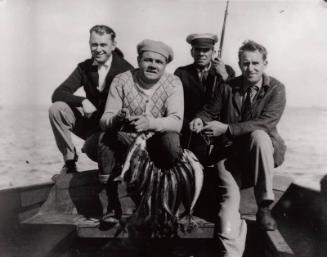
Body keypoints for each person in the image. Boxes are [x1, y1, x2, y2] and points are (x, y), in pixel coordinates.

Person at [190, 39, 286, 256]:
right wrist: (199, 119)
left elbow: (266, 122)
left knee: (260, 135)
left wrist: (226, 128)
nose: (250, 68)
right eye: (245, 63)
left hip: (260, 153)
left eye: (255, 63)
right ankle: (231, 253)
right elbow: (209, 111)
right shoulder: (228, 86)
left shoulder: (277, 89)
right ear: (239, 64)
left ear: (265, 63)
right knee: (227, 210)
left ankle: (264, 206)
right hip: (230, 155)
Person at [98, 39, 184, 222]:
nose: (153, 65)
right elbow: (105, 120)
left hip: (156, 142)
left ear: (165, 65)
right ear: (138, 60)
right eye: (148, 60)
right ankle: (111, 203)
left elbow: (176, 121)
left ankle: (164, 197)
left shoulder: (173, 83)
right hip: (127, 142)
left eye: (159, 62)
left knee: (172, 141)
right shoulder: (121, 80)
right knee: (105, 138)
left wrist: (150, 123)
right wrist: (117, 119)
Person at [49, 25, 133, 174]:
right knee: (57, 109)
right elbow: (58, 94)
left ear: (113, 45)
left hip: (114, 131)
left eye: (103, 44)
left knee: (94, 147)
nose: (98, 49)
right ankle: (70, 161)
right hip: (91, 126)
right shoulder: (84, 67)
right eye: (94, 44)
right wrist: (83, 101)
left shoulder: (126, 70)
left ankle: (116, 165)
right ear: (89, 44)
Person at [174, 33, 235, 165]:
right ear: (192, 52)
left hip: (219, 132)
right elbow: (178, 106)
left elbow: (234, 97)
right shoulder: (181, 73)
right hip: (192, 130)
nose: (201, 54)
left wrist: (224, 75)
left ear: (213, 52)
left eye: (206, 50)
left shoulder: (227, 71)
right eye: (197, 50)